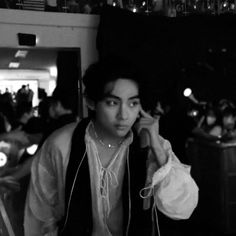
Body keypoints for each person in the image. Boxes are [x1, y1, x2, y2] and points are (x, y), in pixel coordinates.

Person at [24, 57, 199, 236]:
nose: (124, 115)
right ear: (91, 102)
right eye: (112, 103)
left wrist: (158, 150)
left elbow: (183, 207)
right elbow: (40, 213)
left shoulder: (151, 144)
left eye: (133, 103)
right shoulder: (61, 144)